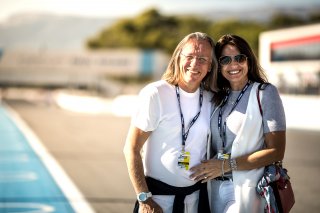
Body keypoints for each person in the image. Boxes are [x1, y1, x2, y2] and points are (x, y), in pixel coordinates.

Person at [189, 34, 286, 213]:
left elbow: (276, 151)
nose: (233, 65)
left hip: (247, 188)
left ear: (248, 60)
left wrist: (225, 165)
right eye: (225, 60)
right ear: (219, 66)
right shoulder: (216, 96)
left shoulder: (265, 93)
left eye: (239, 58)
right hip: (212, 189)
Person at [123, 32, 218, 213]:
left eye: (202, 59)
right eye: (189, 56)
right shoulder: (155, 93)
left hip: (195, 200)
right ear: (177, 58)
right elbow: (131, 148)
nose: (194, 64)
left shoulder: (212, 100)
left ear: (210, 66)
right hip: (156, 201)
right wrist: (144, 198)